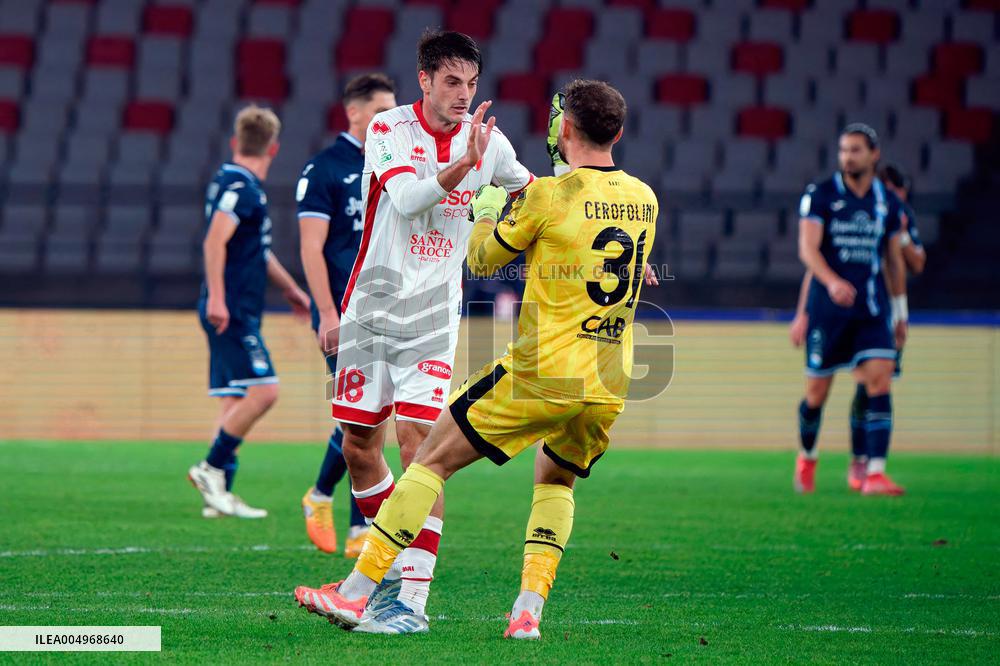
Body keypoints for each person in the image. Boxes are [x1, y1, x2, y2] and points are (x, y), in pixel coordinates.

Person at [311, 79, 658, 640]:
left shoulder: (549, 194)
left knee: (427, 461)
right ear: (617, 133)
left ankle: (358, 594)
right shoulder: (645, 197)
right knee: (555, 483)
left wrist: (488, 206)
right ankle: (527, 612)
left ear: (562, 128)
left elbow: (483, 256)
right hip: (610, 378)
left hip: (544, 370)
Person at [292, 30, 533, 632]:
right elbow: (406, 200)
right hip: (370, 312)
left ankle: (411, 602)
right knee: (357, 447)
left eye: (472, 83)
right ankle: (392, 567)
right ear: (424, 79)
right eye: (452, 81)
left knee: (418, 446)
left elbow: (534, 197)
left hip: (430, 319)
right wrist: (467, 166)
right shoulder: (389, 130)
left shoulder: (492, 144)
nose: (463, 94)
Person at [188, 105, 311, 517]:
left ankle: (218, 496)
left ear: (235, 142)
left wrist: (292, 288)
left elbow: (255, 250)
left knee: (233, 399)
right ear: (273, 148)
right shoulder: (243, 188)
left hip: (234, 305)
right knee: (265, 390)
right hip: (234, 308)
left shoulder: (227, 181)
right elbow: (212, 243)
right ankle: (210, 468)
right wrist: (219, 297)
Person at [298, 73, 398, 557]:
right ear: (353, 113)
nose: (391, 121)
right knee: (360, 419)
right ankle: (332, 507)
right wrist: (325, 312)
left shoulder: (394, 165)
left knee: (374, 418)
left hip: (390, 310)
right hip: (346, 311)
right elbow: (311, 247)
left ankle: (339, 511)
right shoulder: (325, 169)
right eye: (381, 112)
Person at [789, 161, 925, 490]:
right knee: (817, 394)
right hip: (829, 311)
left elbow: (914, 264)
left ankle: (868, 467)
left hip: (873, 309)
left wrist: (899, 312)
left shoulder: (896, 215)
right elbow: (813, 265)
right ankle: (808, 455)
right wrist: (803, 314)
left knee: (875, 382)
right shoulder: (834, 203)